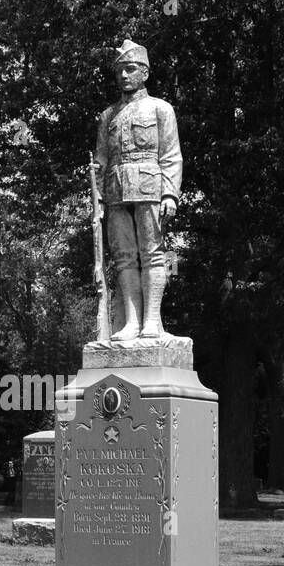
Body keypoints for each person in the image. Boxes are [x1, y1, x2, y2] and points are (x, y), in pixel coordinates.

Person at [93, 40, 183, 341]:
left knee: (153, 255)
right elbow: (102, 159)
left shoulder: (161, 109)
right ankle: (131, 323)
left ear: (144, 73)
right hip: (116, 192)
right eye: (120, 70)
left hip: (150, 189)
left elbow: (171, 154)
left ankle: (152, 323)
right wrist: (97, 197)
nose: (124, 76)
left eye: (130, 69)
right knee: (123, 258)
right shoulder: (108, 116)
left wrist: (170, 193)